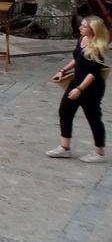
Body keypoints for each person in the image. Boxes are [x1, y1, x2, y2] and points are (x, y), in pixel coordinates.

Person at [48, 16, 107, 162]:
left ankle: (99, 152)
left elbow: (93, 73)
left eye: (84, 26)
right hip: (76, 81)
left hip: (91, 87)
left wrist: (80, 89)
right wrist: (62, 70)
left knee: (93, 118)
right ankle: (65, 148)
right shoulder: (81, 39)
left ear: (93, 30)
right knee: (65, 111)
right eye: (81, 25)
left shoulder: (97, 46)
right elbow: (76, 58)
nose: (80, 28)